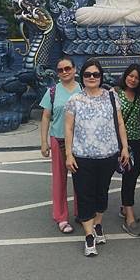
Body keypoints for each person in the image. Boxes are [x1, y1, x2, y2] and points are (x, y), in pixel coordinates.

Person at [65, 58, 129, 257]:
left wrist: (124, 148)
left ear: (101, 77)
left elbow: (119, 123)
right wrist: (68, 154)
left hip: (108, 154)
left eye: (96, 74)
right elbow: (68, 128)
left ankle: (98, 224)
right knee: (84, 194)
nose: (92, 78)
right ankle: (88, 235)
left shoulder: (111, 97)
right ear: (81, 77)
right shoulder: (74, 100)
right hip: (82, 156)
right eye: (87, 74)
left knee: (102, 191)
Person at [40, 56, 81, 234]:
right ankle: (61, 217)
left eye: (67, 68)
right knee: (59, 180)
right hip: (58, 139)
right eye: (60, 70)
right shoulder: (52, 91)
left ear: (74, 69)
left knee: (82, 180)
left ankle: (82, 212)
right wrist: (44, 142)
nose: (64, 72)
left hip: (81, 141)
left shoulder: (83, 89)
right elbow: (46, 117)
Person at [117, 63, 140, 237]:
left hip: (138, 140)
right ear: (125, 75)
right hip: (122, 143)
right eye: (130, 75)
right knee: (128, 176)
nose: (133, 80)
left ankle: (124, 207)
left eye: (136, 77)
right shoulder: (115, 94)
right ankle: (129, 216)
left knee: (134, 174)